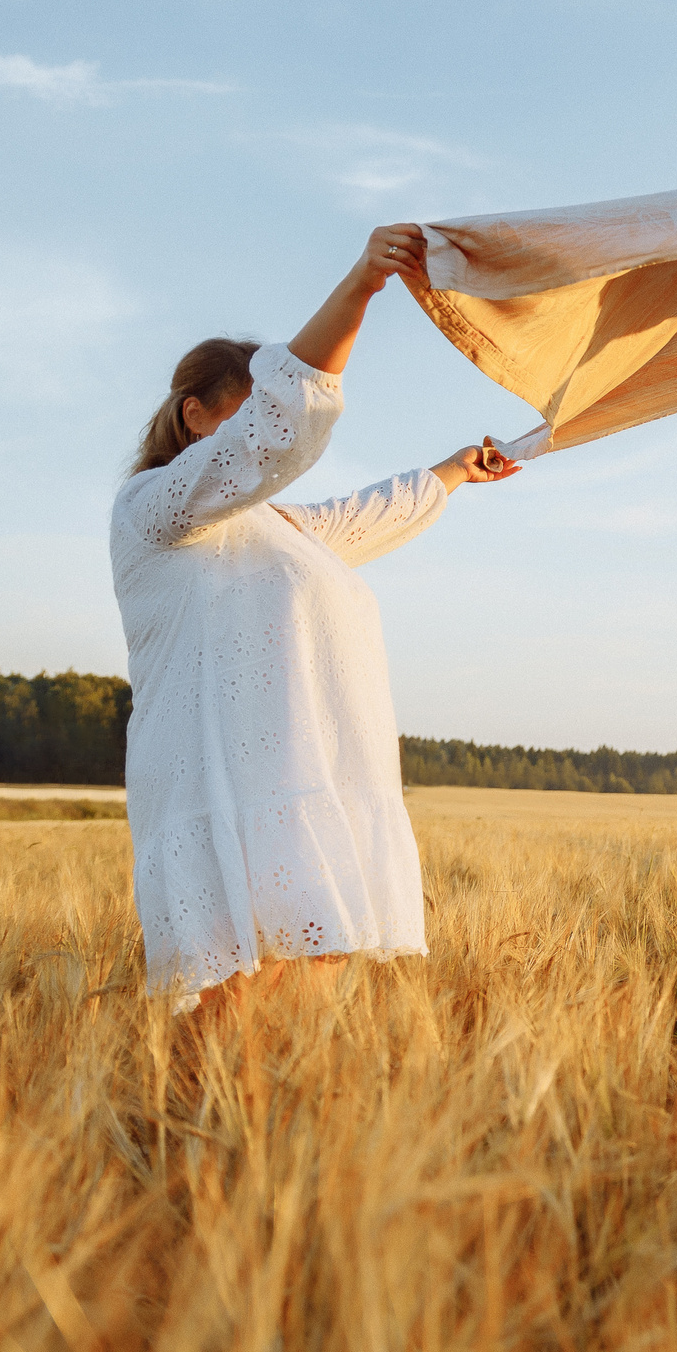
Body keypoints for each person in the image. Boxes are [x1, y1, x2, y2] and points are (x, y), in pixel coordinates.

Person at [111, 224, 521, 1014]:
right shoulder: (152, 511)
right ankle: (198, 1130)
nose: (259, 436)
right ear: (195, 417)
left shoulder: (285, 529)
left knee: (310, 991)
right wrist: (361, 286)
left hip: (298, 783)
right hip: (213, 784)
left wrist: (455, 471)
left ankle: (256, 1127)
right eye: (245, 413)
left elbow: (372, 514)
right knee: (228, 1021)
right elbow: (282, 427)